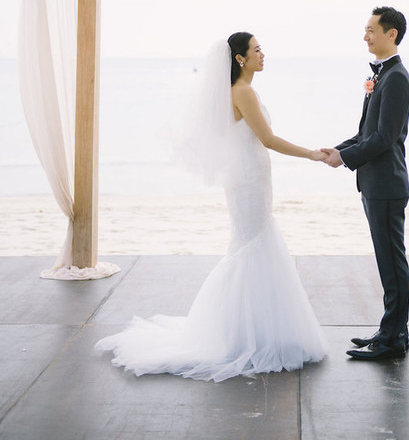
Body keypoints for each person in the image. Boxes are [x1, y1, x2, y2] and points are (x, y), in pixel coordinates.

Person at [95, 33, 327, 381]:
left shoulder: (239, 91)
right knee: (252, 245)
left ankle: (247, 330)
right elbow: (268, 139)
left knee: (251, 243)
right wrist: (312, 153)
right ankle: (242, 335)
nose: (263, 54)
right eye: (257, 50)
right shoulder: (243, 92)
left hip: (248, 174)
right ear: (239, 59)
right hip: (248, 176)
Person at [321, 6, 409, 361]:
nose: (365, 36)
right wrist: (337, 149)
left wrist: (345, 158)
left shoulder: (397, 78)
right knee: (387, 263)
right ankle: (391, 330)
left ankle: (393, 339)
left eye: (371, 30)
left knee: (393, 263)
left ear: (391, 34)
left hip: (387, 184)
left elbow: (384, 138)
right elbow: (365, 133)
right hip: (374, 184)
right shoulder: (382, 76)